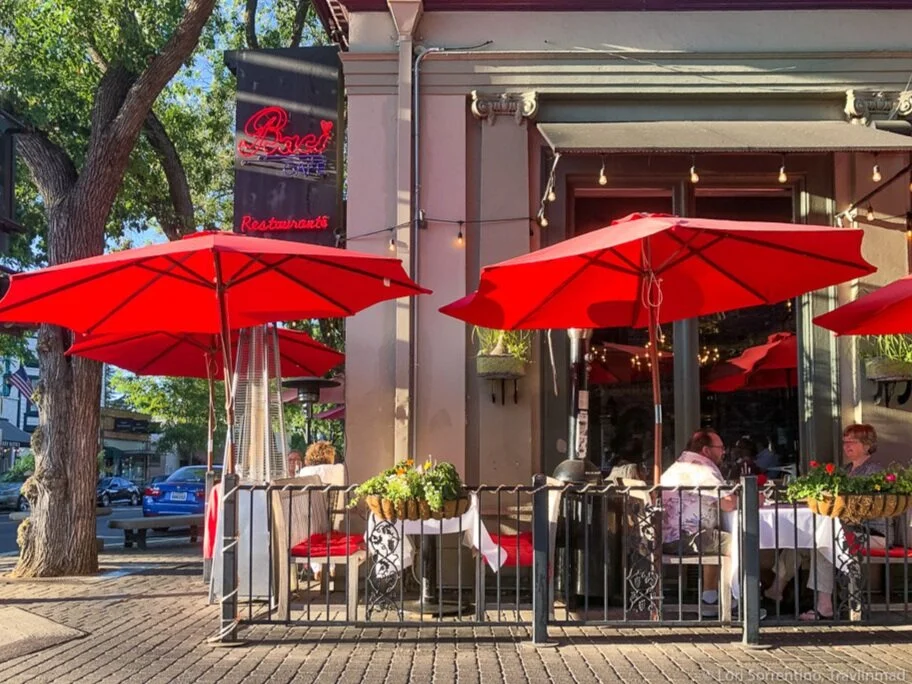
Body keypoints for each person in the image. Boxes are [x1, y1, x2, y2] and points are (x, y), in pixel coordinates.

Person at [766, 423, 887, 620]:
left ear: (867, 445)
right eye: (845, 442)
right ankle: (776, 591)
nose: (846, 446)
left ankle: (824, 606)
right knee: (798, 541)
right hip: (845, 530)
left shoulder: (874, 471)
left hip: (871, 534)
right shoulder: (846, 470)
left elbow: (866, 506)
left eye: (852, 442)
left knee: (824, 543)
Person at [661, 428, 738, 617]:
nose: (723, 452)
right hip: (686, 538)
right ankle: (743, 600)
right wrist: (755, 498)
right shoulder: (702, 468)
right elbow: (728, 503)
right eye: (720, 448)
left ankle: (710, 597)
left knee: (716, 533)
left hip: (669, 535)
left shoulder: (681, 464)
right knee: (740, 543)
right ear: (706, 450)